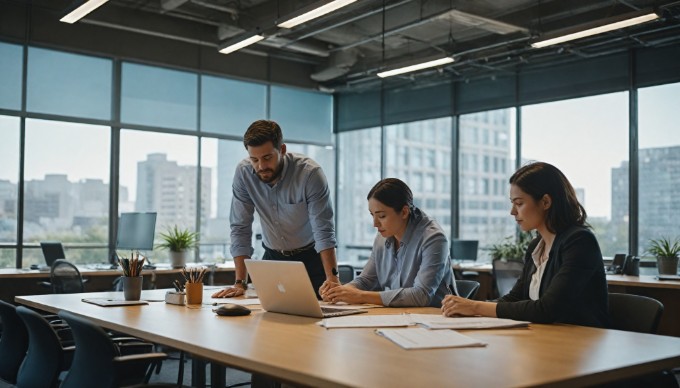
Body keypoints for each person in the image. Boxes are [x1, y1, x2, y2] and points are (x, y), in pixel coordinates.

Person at [441, 162, 609, 328]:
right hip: (544, 339)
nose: (512, 212)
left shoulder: (579, 241)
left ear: (545, 202)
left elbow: (547, 309)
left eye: (519, 203)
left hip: (580, 343)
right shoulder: (536, 246)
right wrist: (469, 309)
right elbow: (515, 298)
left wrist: (475, 307)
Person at [212, 120, 339, 299]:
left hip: (311, 259)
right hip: (272, 259)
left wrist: (332, 279)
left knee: (317, 319)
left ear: (282, 150)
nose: (261, 166)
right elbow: (240, 227)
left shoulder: (309, 174)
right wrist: (240, 282)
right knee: (269, 318)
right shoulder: (244, 173)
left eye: (267, 158)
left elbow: (323, 230)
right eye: (254, 159)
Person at [320, 178, 454, 307]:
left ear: (404, 212)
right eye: (372, 215)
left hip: (432, 319)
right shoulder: (383, 235)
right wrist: (339, 292)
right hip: (397, 317)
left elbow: (422, 295)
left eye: (382, 216)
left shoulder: (433, 238)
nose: (375, 224)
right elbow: (366, 280)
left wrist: (360, 296)